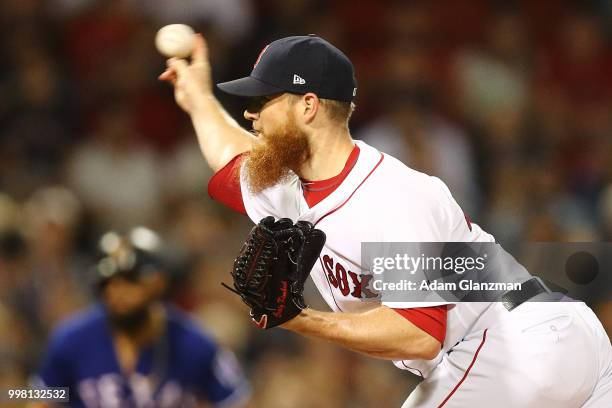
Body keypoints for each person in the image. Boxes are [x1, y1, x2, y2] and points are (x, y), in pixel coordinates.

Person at [160, 34, 612, 407]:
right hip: (546, 343)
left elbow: (419, 334)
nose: (251, 113)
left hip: (518, 338)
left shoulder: (392, 197)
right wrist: (197, 96)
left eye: (263, 100)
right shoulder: (287, 184)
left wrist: (297, 319)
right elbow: (230, 153)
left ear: (308, 105)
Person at [32, 227, 250, 408]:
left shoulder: (195, 343)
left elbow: (238, 400)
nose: (118, 291)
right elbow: (40, 398)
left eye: (130, 279)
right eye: (109, 281)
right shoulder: (71, 340)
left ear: (158, 282)